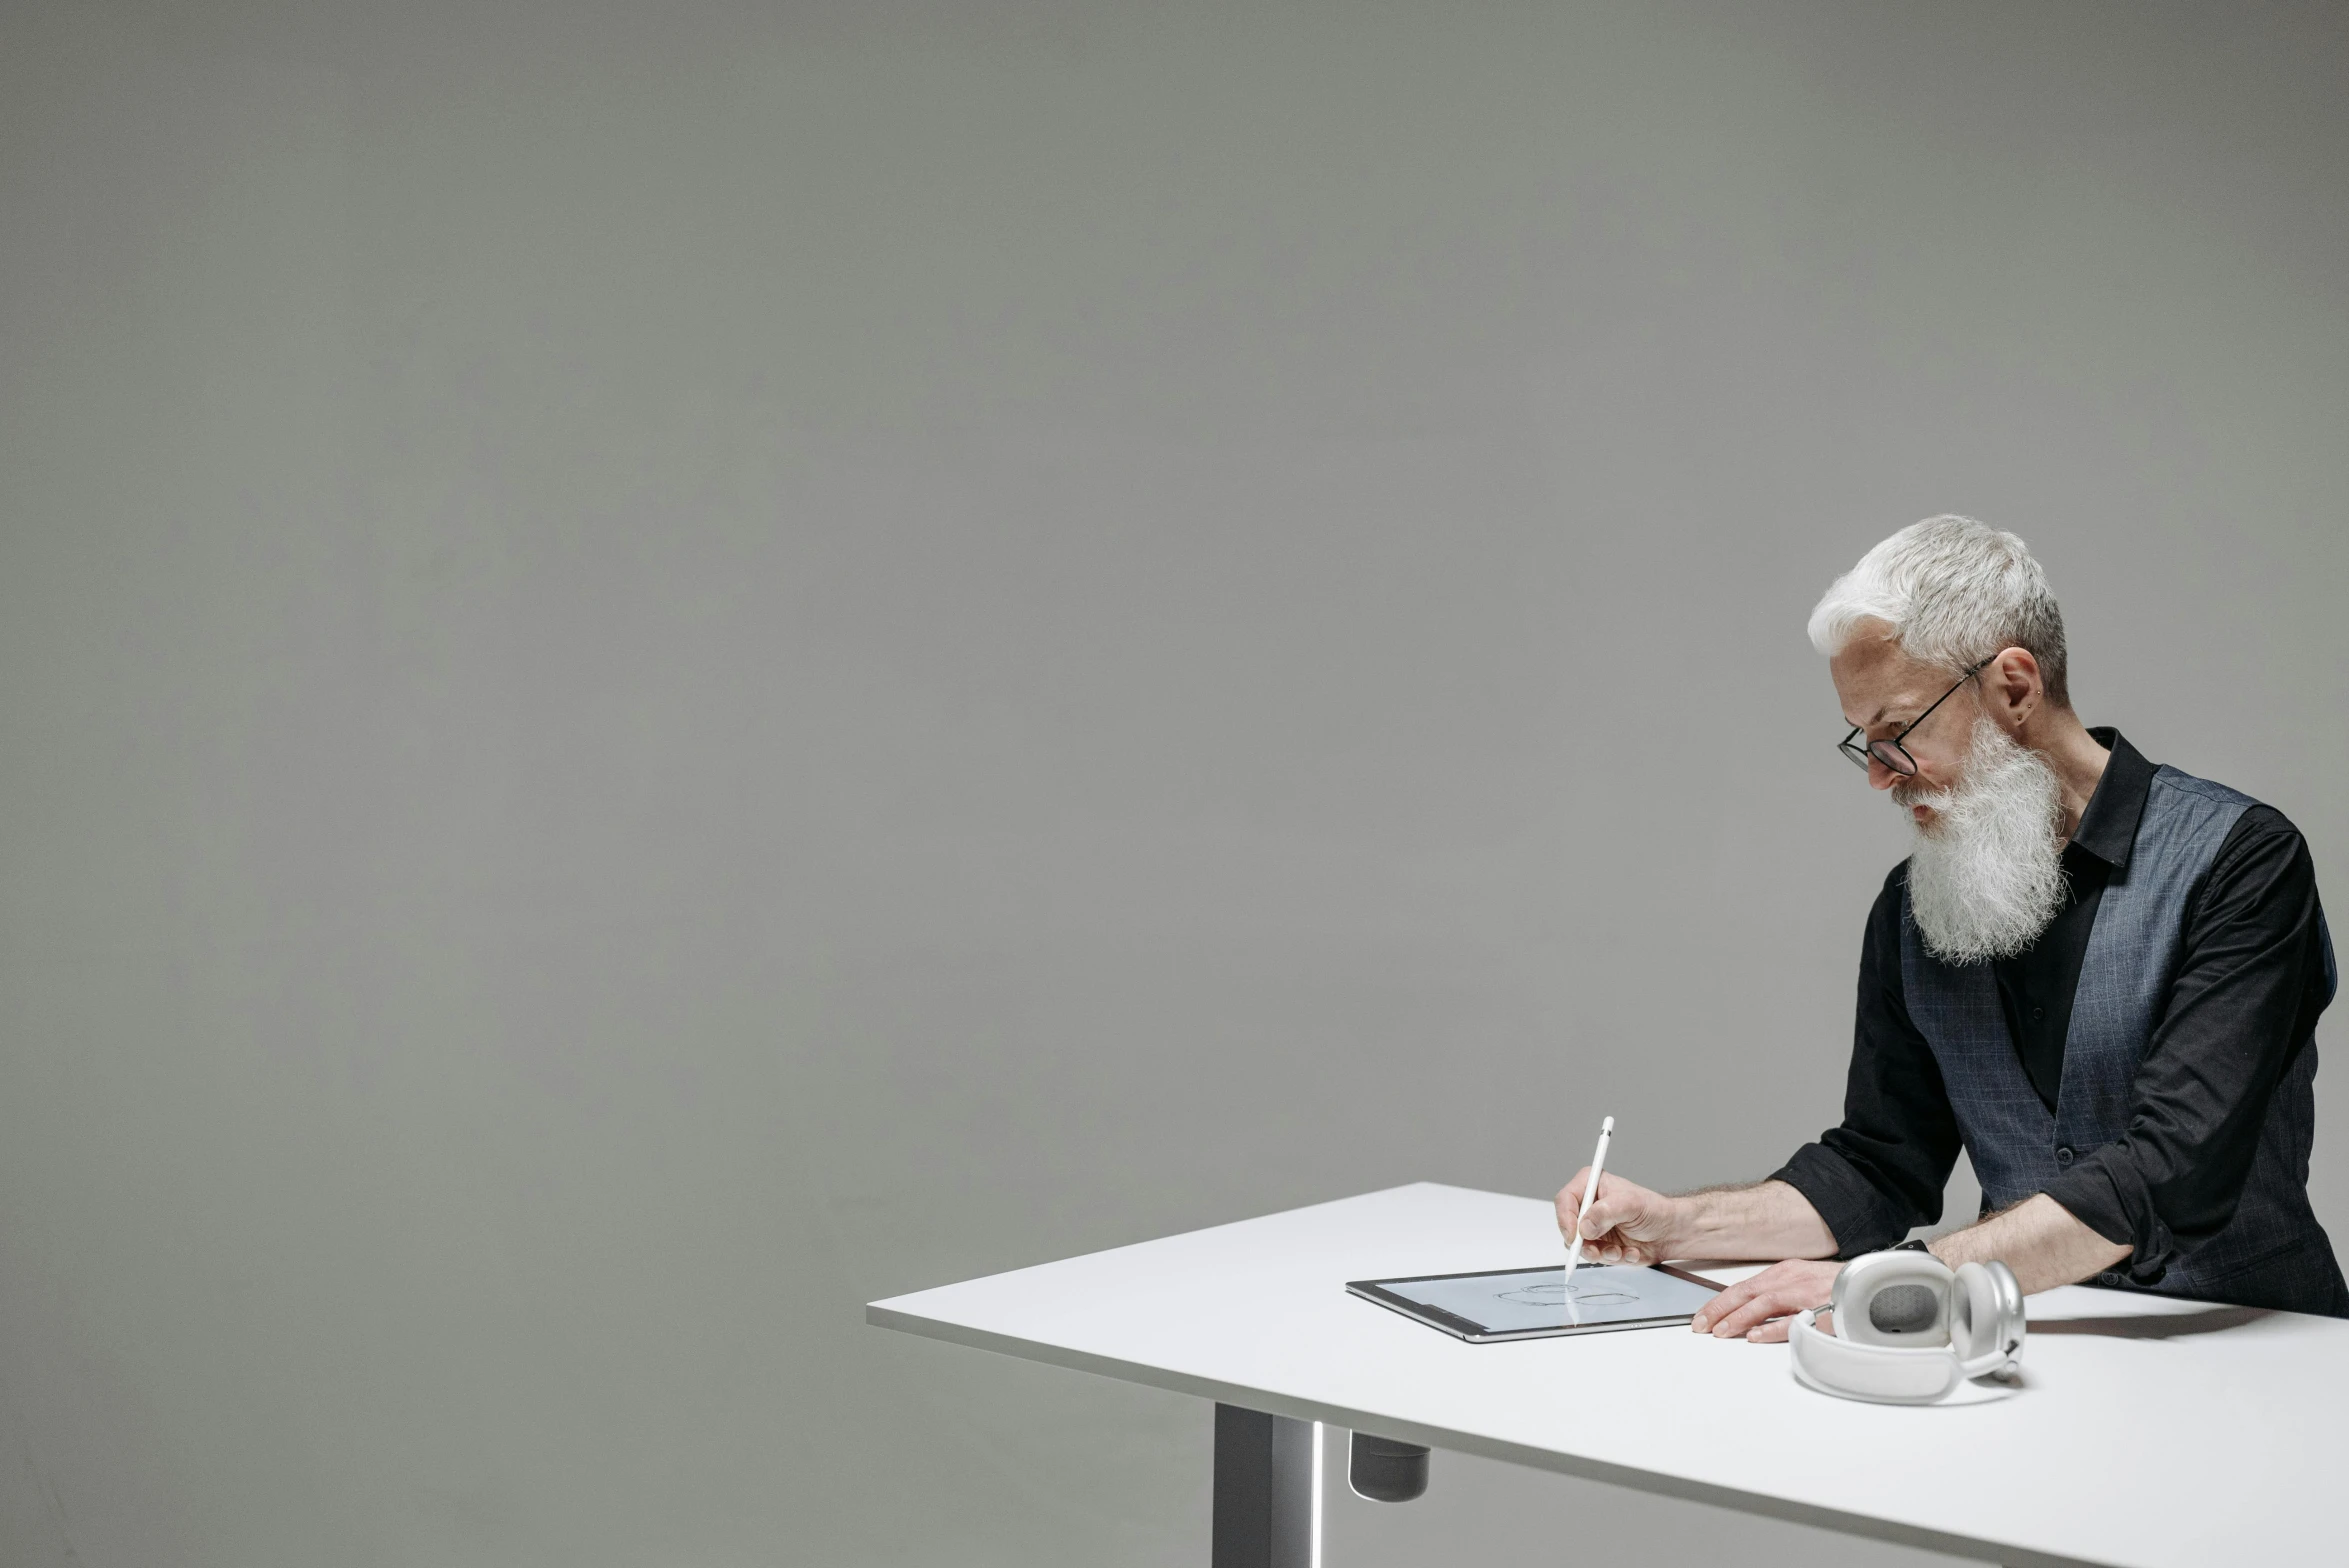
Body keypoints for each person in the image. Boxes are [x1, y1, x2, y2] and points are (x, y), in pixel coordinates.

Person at [1557, 516, 2346, 1340]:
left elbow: (2173, 1168)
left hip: (2259, 1351)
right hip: (2025, 1355)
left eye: (1895, 732)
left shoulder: (2240, 861)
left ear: (2012, 685)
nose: (1876, 775)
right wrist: (1677, 1225)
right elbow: (1879, 1163)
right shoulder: (1911, 906)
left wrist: (1908, 1279)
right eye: (1861, 742)